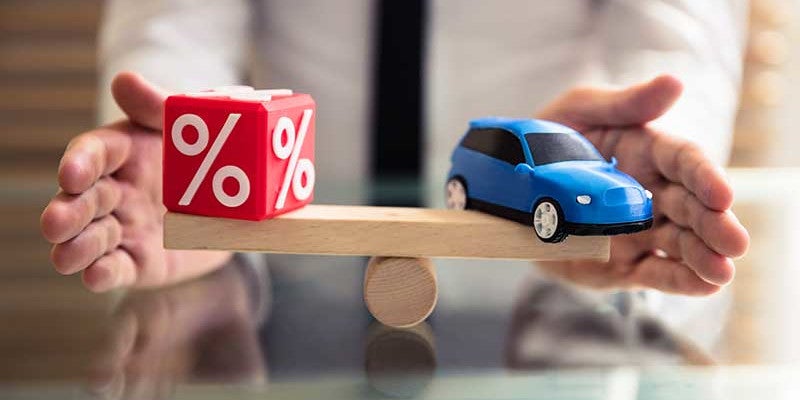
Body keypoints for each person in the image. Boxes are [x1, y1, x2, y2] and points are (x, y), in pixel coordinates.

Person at [40, 1, 749, 305]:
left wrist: (653, 152)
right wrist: (183, 153)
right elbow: (177, 20)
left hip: (545, 310)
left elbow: (675, 34)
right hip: (285, 287)